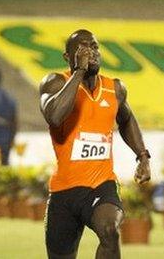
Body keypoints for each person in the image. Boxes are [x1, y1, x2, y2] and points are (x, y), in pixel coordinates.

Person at [39, 29, 151, 259]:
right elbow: (55, 116)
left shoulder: (115, 89)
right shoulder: (54, 82)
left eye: (95, 47)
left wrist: (142, 156)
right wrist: (78, 72)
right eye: (83, 48)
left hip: (102, 185)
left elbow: (127, 118)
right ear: (67, 57)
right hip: (64, 191)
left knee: (110, 230)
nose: (91, 53)